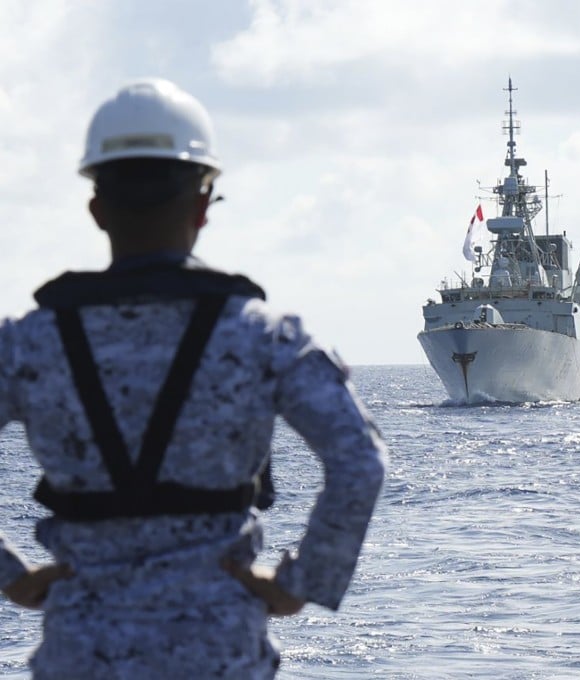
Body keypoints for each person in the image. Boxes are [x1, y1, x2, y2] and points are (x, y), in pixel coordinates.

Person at [0, 78, 387, 678]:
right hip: (220, 653)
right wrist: (300, 583)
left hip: (79, 653)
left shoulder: (27, 344)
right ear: (203, 207)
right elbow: (358, 459)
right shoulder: (264, 337)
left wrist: (14, 578)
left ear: (97, 208)